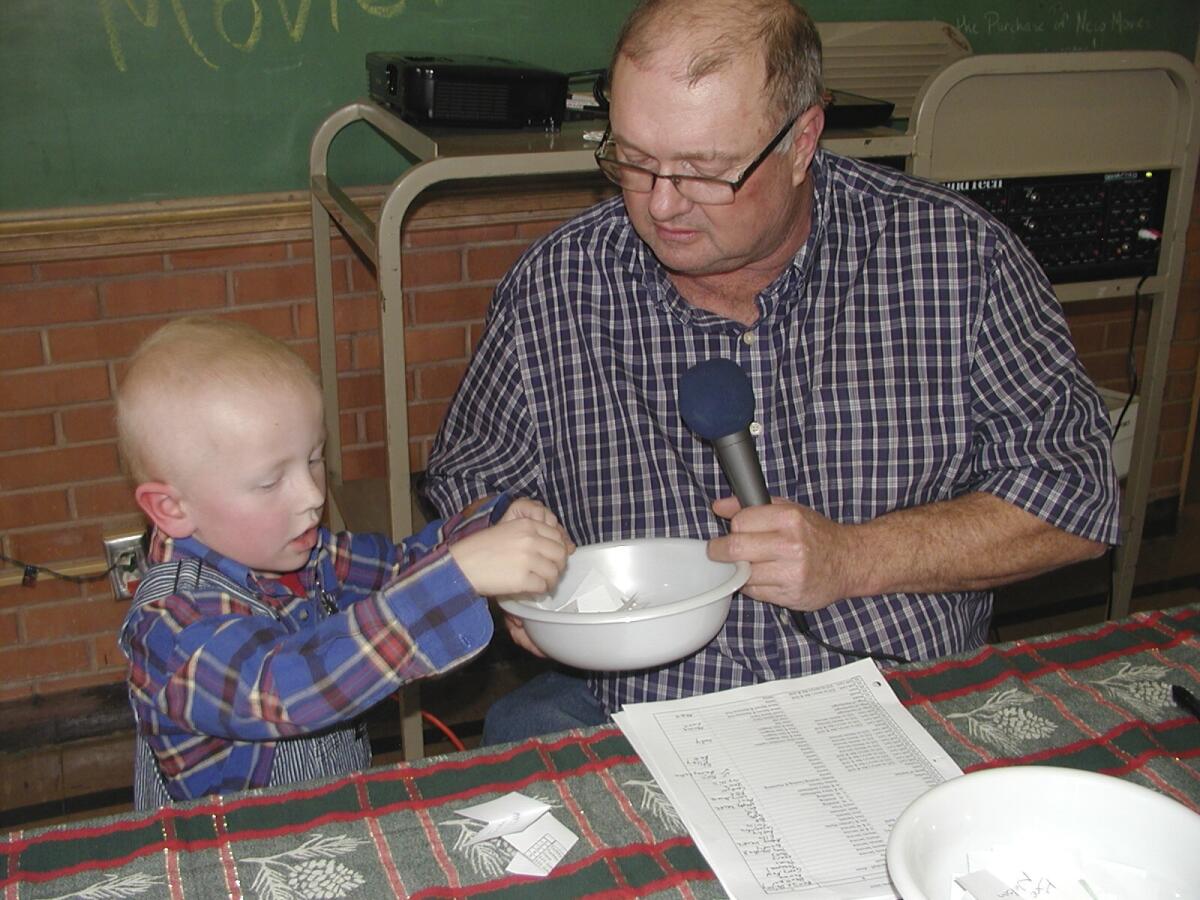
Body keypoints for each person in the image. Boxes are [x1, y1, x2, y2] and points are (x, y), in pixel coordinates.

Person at [424, 0, 1120, 744]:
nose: (660, 203)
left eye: (704, 170)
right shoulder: (557, 288)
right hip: (638, 710)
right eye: (631, 158)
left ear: (802, 140)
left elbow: (1075, 498)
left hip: (902, 697)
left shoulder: (955, 261)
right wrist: (506, 548)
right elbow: (470, 477)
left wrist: (856, 559)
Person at [115, 316, 571, 808]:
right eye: (270, 482)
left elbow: (401, 569)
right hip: (232, 859)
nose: (313, 495)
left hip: (323, 820)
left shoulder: (300, 553)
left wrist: (490, 526)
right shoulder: (170, 630)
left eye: (314, 458)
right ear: (172, 509)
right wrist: (458, 574)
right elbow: (289, 688)